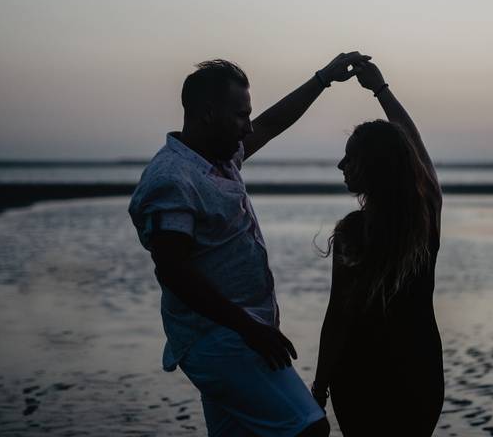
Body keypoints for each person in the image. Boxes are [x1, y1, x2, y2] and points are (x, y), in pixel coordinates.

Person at [129, 53, 369, 437]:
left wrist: (323, 78)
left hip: (240, 333)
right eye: (240, 116)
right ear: (208, 114)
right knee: (309, 428)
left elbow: (272, 123)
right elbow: (172, 270)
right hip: (219, 340)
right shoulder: (172, 179)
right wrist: (249, 329)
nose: (247, 127)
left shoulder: (221, 158)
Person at [311, 60, 444, 437]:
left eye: (350, 156)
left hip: (361, 377)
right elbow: (419, 157)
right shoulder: (424, 219)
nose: (341, 164)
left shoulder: (357, 232)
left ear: (373, 165)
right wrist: (381, 90)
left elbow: (337, 317)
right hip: (420, 373)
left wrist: (319, 389)